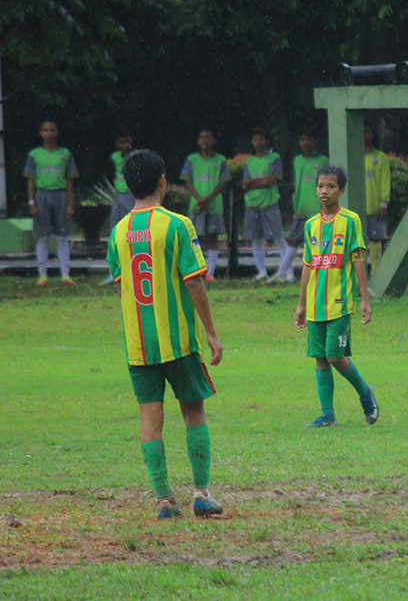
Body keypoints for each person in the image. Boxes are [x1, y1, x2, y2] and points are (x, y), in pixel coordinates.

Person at [106, 149, 224, 520]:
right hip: (179, 340)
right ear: (163, 182)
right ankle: (202, 494)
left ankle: (163, 500)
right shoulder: (177, 225)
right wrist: (211, 333)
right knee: (194, 412)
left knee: (149, 418)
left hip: (139, 344)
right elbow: (195, 282)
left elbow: (122, 285)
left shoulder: (119, 232)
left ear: (127, 185)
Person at [294, 164, 379, 427]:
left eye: (331, 186)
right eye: (320, 186)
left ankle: (365, 392)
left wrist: (364, 299)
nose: (324, 191)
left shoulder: (350, 220)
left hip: (340, 301)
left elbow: (357, 259)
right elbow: (308, 264)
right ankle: (327, 415)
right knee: (320, 357)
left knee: (334, 355)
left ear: (341, 190)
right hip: (315, 304)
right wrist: (301, 305)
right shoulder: (310, 226)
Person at [24, 120, 78, 286]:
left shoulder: (65, 153)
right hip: (42, 196)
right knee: (43, 237)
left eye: (52, 130)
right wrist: (32, 202)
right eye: (46, 130)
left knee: (62, 237)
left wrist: (70, 204)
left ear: (57, 132)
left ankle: (66, 275)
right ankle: (42, 275)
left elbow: (70, 180)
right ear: (41, 133)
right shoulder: (34, 154)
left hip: (61, 195)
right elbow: (31, 180)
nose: (49, 133)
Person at [275, 126, 329, 282]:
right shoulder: (297, 160)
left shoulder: (322, 161)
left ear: (315, 141)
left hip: (317, 208)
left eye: (309, 139)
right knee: (293, 240)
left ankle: (318, 275)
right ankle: (282, 273)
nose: (306, 143)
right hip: (301, 207)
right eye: (302, 139)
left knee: (316, 243)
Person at [179, 129, 230, 282]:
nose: (205, 140)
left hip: (214, 206)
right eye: (202, 138)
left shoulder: (220, 160)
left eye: (208, 137)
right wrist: (199, 199)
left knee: (212, 237)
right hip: (196, 206)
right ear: (198, 141)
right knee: (194, 238)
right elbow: (187, 181)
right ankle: (196, 270)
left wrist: (207, 198)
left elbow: (223, 182)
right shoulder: (192, 159)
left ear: (214, 141)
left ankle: (210, 272)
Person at [242, 127, 291, 281]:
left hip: (270, 203)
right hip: (252, 204)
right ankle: (262, 272)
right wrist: (259, 182)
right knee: (256, 239)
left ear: (266, 141)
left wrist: (252, 182)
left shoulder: (274, 158)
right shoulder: (249, 162)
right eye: (255, 139)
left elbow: (272, 180)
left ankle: (288, 273)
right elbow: (245, 184)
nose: (258, 142)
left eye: (261, 139)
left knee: (279, 238)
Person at [102, 128, 136, 284]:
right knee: (114, 232)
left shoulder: (135, 157)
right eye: (122, 142)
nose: (125, 145)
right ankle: (113, 271)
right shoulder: (115, 157)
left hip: (131, 195)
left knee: (132, 230)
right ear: (116, 144)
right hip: (118, 195)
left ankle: (132, 268)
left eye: (127, 142)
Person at [364, 123, 392, 270]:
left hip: (374, 208)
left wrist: (383, 203)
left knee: (375, 240)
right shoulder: (351, 156)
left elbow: (385, 181)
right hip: (356, 208)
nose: (364, 135)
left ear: (372, 135)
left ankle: (376, 273)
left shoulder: (380, 158)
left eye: (367, 132)